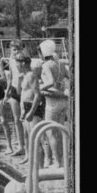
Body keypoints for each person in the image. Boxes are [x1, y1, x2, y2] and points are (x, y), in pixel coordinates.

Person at [39, 39, 69, 168]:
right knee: (60, 131)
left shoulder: (47, 65)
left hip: (52, 103)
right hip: (63, 101)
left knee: (50, 134)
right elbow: (69, 76)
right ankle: (61, 160)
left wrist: (40, 88)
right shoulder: (60, 63)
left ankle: (56, 162)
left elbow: (50, 82)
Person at [18, 57, 48, 165]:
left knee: (37, 139)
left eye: (17, 63)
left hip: (32, 107)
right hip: (26, 107)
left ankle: (42, 165)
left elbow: (37, 95)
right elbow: (22, 94)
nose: (16, 66)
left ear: (23, 63)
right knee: (31, 138)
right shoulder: (24, 76)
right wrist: (22, 110)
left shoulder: (31, 75)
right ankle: (35, 166)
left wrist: (31, 112)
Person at [4, 40, 26, 156]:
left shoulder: (25, 60)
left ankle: (28, 145)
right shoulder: (11, 61)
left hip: (24, 91)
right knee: (16, 120)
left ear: (22, 49)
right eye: (13, 49)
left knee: (25, 120)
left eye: (17, 49)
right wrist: (6, 92)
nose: (15, 52)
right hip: (13, 90)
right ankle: (21, 146)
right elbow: (11, 77)